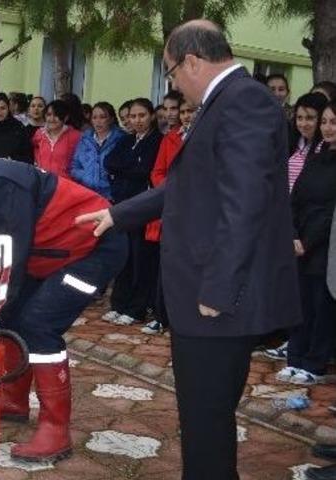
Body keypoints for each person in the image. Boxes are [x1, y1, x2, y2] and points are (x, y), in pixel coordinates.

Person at [76, 20, 301, 480]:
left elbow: (245, 204)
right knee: (201, 416)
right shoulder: (228, 103)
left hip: (219, 297)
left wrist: (218, 288)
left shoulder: (245, 102)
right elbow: (185, 186)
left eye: (171, 72)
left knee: (207, 417)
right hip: (205, 289)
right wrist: (119, 214)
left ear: (192, 61)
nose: (172, 83)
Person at [0, 133, 126, 463]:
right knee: (11, 313)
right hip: (50, 254)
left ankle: (55, 430)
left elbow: (6, 259)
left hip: (95, 248)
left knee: (39, 325)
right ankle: (14, 400)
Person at [274, 101, 336, 387]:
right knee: (298, 302)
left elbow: (329, 210)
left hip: (326, 245)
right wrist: (292, 234)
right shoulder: (315, 156)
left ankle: (315, 362)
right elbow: (295, 198)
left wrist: (308, 241)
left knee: (320, 304)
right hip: (298, 240)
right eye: (324, 122)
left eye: (333, 122)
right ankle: (295, 358)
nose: (327, 128)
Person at [102, 98, 163, 326]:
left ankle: (136, 308)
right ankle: (119, 304)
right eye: (133, 116)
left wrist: (126, 169)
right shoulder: (127, 140)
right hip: (122, 205)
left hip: (143, 207)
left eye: (142, 116)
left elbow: (144, 170)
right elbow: (110, 162)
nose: (137, 121)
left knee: (141, 259)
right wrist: (129, 167)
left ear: (151, 116)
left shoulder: (157, 141)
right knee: (123, 258)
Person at [141, 93, 194, 336]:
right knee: (167, 265)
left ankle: (184, 318)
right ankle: (161, 316)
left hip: (196, 210)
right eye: (182, 112)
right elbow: (158, 171)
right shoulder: (169, 138)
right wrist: (172, 191)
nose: (185, 116)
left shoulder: (205, 137)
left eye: (190, 111)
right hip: (172, 206)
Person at [70, 101, 126, 200]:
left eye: (102, 117)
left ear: (111, 119)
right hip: (87, 193)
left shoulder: (121, 139)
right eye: (94, 117)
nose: (98, 121)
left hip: (111, 195)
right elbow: (74, 166)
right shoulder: (85, 138)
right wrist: (85, 176)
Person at [33, 99, 82, 177]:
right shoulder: (39, 133)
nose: (52, 119)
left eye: (56, 115)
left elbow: (80, 163)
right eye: (48, 115)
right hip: (43, 182)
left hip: (65, 183)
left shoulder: (76, 136)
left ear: (66, 118)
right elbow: (35, 150)